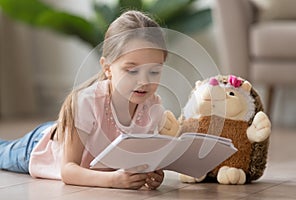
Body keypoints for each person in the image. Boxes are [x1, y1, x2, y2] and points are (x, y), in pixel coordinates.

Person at [0, 10, 179, 190]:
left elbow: (136, 159)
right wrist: (114, 181)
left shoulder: (152, 107)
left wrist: (152, 175)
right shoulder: (87, 102)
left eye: (154, 71)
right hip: (40, 148)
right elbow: (68, 170)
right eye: (132, 71)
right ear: (107, 68)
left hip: (71, 136)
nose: (144, 81)